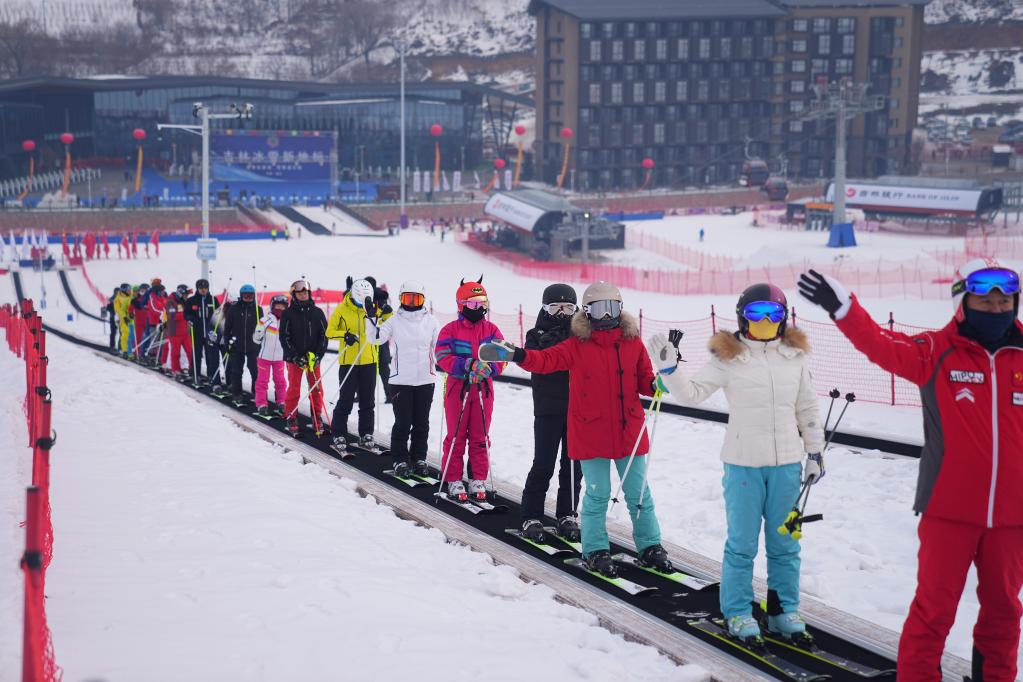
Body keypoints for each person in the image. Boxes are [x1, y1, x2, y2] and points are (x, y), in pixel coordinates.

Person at [798, 261, 1023, 681]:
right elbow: (881, 344)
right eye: (985, 300)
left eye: (1004, 301)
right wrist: (844, 309)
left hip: (1012, 518)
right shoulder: (937, 352)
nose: (995, 309)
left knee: (1005, 613)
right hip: (948, 509)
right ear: (963, 302)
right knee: (934, 612)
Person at [646, 283, 825, 644]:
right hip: (744, 465)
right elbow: (691, 394)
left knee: (786, 544)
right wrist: (669, 368)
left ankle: (782, 611)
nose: (763, 320)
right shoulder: (728, 358)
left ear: (783, 318)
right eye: (756, 313)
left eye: (772, 314)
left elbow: (807, 407)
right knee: (742, 544)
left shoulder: (795, 358)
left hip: (788, 465)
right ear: (743, 316)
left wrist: (815, 452)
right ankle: (739, 612)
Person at [479, 281, 671, 578]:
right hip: (591, 430)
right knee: (597, 493)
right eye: (598, 309)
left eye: (612, 308)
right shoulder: (577, 344)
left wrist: (661, 381)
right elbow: (545, 360)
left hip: (628, 432)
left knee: (639, 494)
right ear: (587, 312)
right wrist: (516, 354)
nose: (606, 317)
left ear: (621, 309)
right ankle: (595, 548)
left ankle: (650, 545)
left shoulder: (633, 343)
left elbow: (645, 381)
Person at [519, 283, 582, 543]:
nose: (561, 313)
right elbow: (532, 359)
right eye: (555, 307)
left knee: (573, 466)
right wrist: (551, 341)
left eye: (568, 307)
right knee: (543, 462)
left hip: (577, 410)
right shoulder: (536, 334)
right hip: (547, 409)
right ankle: (531, 514)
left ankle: (566, 514)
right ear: (545, 308)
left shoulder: (582, 336)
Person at [435, 277, 505, 501]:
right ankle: (454, 478)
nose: (479, 308)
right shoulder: (450, 329)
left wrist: (489, 369)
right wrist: (466, 365)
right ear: (461, 305)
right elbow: (442, 356)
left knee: (480, 435)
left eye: (482, 303)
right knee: (456, 435)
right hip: (459, 388)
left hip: (483, 390)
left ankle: (477, 477)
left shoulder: (491, 329)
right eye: (473, 304)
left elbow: (503, 357)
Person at [369, 281, 440, 477]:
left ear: (422, 300)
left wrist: (445, 362)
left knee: (421, 422)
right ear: (401, 298)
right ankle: (400, 460)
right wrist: (370, 318)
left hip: (426, 380)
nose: (410, 302)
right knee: (403, 422)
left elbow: (439, 347)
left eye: (415, 298)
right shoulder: (394, 321)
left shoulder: (432, 321)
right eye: (407, 298)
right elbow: (375, 338)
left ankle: (419, 458)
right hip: (401, 380)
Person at [326, 277, 391, 451]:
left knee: (367, 401)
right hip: (349, 361)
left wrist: (387, 312)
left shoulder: (372, 309)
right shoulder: (342, 309)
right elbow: (329, 331)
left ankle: (366, 433)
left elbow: (386, 325)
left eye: (365, 300)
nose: (362, 303)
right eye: (359, 300)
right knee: (346, 400)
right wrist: (345, 335)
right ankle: (339, 433)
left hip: (369, 360)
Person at [279, 279, 328, 435]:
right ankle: (291, 416)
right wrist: (294, 356)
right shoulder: (288, 313)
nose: (303, 295)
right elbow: (284, 337)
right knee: (294, 388)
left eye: (305, 292)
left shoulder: (317, 312)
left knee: (317, 388)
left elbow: (324, 336)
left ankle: (317, 416)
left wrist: (318, 355)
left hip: (313, 358)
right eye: (300, 293)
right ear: (294, 294)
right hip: (295, 359)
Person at [223, 284, 263, 400]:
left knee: (255, 371)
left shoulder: (257, 309)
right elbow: (227, 328)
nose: (248, 297)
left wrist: (260, 343)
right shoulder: (234, 309)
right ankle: (237, 393)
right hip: (237, 346)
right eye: (245, 295)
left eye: (250, 295)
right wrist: (227, 344)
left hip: (253, 346)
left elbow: (261, 328)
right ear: (241, 295)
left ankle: (256, 393)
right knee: (236, 371)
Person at [253, 294, 289, 418]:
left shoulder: (287, 321)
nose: (280, 309)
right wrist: (258, 334)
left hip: (279, 358)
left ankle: (282, 402)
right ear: (272, 306)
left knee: (280, 381)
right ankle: (262, 404)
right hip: (264, 357)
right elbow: (256, 340)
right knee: (262, 381)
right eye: (277, 306)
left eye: (283, 307)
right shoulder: (265, 320)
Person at [184, 278, 221, 384]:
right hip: (197, 332)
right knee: (196, 354)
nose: (203, 290)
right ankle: (195, 374)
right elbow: (186, 313)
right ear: (197, 288)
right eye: (201, 288)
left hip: (210, 334)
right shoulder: (192, 300)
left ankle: (211, 375)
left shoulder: (213, 300)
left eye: (205, 288)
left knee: (211, 356)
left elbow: (218, 314)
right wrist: (190, 319)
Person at [163, 285, 194, 376]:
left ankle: (193, 369)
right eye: (186, 295)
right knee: (175, 353)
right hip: (174, 332)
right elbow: (173, 316)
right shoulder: (170, 302)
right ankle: (175, 369)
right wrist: (186, 313)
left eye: (187, 295)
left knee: (190, 351)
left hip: (185, 331)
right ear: (180, 293)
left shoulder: (184, 301)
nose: (187, 296)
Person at [130, 283, 151, 357]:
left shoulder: (149, 299)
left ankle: (145, 353)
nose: (142, 291)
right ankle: (136, 352)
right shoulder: (135, 299)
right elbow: (131, 308)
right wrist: (131, 313)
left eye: (144, 290)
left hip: (148, 321)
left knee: (147, 338)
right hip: (139, 321)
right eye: (141, 289)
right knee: (138, 337)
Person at [113, 282, 133, 357]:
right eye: (128, 289)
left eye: (130, 289)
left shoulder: (130, 296)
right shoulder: (118, 298)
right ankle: (122, 350)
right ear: (124, 290)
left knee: (130, 335)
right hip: (122, 319)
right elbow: (118, 309)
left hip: (131, 318)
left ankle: (128, 349)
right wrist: (123, 317)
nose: (129, 291)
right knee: (124, 334)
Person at [105, 287, 119, 352]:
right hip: (113, 318)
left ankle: (119, 347)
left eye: (118, 292)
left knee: (122, 333)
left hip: (119, 318)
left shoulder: (120, 299)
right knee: (113, 332)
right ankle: (112, 346)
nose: (117, 293)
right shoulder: (111, 299)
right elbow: (108, 308)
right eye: (116, 292)